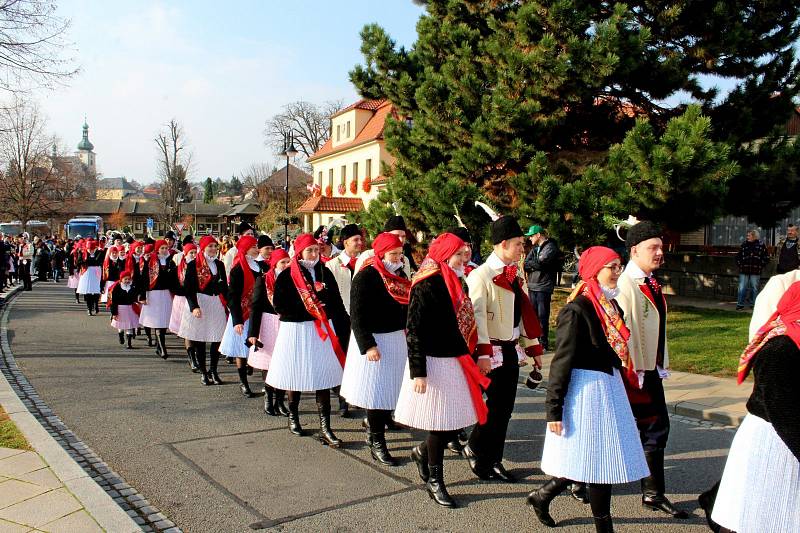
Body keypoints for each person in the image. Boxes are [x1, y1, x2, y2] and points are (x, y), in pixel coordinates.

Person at [527, 246, 649, 532]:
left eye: (619, 266)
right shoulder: (576, 309)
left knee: (593, 457)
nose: (618, 273)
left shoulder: (611, 306)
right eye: (612, 267)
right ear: (595, 271)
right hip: (584, 391)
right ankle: (603, 526)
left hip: (608, 387)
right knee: (596, 461)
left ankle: (542, 495)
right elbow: (561, 362)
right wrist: (553, 409)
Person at [394, 233, 490, 507]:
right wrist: (418, 371)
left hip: (456, 358)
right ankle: (436, 479)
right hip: (433, 360)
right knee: (439, 423)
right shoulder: (427, 282)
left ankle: (422, 452)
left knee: (457, 419)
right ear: (446, 254)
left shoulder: (457, 278)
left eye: (465, 252)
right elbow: (414, 330)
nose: (464, 258)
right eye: (458, 253)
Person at [709, 281, 800, 533]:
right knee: (760, 515)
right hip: (773, 441)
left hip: (787, 437)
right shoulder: (780, 348)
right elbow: (783, 410)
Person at [615, 220, 688, 519]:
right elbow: (620, 333)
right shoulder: (625, 284)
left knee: (654, 430)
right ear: (634, 250)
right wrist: (633, 372)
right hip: (634, 373)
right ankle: (561, 485)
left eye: (661, 247)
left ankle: (652, 493)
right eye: (653, 247)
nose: (660, 252)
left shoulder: (649, 281)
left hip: (650, 370)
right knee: (634, 430)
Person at [463, 215, 544, 483]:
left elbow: (524, 313)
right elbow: (478, 317)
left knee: (506, 408)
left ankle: (494, 458)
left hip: (510, 347)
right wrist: (483, 354)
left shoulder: (516, 272)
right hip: (491, 352)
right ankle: (475, 447)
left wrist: (533, 347)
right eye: (519, 244)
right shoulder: (480, 275)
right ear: (504, 243)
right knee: (494, 407)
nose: (523, 248)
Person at [265, 233, 350, 446]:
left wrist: (343, 325)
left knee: (323, 377)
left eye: (316, 249)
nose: (314, 254)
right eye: (310, 250)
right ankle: (293, 416)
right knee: (297, 374)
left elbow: (337, 302)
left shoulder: (325, 271)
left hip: (321, 328)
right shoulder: (287, 275)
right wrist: (310, 311)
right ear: (300, 252)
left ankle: (326, 426)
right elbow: (280, 306)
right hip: (297, 330)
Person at [340, 232, 410, 466]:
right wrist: (368, 345)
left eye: (400, 254)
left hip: (395, 338)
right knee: (376, 392)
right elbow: (357, 315)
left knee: (391, 387)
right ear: (381, 254)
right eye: (394, 254)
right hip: (374, 341)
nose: (399, 258)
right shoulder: (366, 276)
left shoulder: (398, 274)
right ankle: (376, 440)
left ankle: (382, 424)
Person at [326, 223, 364, 417]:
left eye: (360, 239)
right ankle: (343, 399)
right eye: (355, 240)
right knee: (343, 357)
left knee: (358, 357)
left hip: (362, 317)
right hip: (341, 317)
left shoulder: (365, 263)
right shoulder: (332, 265)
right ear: (345, 242)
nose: (359, 243)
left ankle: (356, 395)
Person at [179, 236, 228, 386]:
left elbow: (224, 286)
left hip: (216, 303)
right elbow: (188, 289)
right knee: (200, 338)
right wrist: (194, 306)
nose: (213, 249)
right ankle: (204, 372)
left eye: (215, 246)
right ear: (203, 248)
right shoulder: (194, 265)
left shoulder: (219, 264)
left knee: (217, 338)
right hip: (200, 302)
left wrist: (230, 303)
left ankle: (214, 370)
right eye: (210, 246)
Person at [248, 248, 291, 416]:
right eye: (283, 262)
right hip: (268, 324)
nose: (287, 265)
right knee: (269, 363)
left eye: (289, 262)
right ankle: (269, 397)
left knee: (283, 363)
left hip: (286, 324)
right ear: (275, 264)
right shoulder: (263, 280)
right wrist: (253, 332)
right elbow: (255, 307)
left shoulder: (294, 280)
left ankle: (280, 400)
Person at [219, 235, 261, 397]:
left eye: (256, 246)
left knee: (254, 347)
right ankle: (243, 382)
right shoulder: (238, 269)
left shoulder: (259, 266)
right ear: (245, 249)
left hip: (257, 313)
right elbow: (233, 297)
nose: (256, 249)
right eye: (253, 247)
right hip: (242, 314)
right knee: (241, 349)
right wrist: (237, 320)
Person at [138, 239, 177, 359]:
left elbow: (175, 278)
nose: (165, 250)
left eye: (166, 248)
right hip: (153, 294)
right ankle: (163, 349)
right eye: (162, 248)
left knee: (163, 321)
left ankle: (159, 347)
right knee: (157, 322)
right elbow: (144, 279)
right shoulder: (150, 261)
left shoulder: (171, 260)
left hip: (166, 294)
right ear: (157, 249)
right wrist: (142, 295)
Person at [524, 225, 560, 350]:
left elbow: (542, 264)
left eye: (531, 236)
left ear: (538, 235)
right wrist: (535, 264)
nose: (529, 239)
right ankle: (535, 341)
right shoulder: (535, 249)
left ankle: (543, 343)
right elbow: (526, 264)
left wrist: (534, 264)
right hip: (533, 285)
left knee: (542, 315)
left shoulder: (550, 247)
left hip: (543, 286)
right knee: (533, 316)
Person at [169, 243, 198, 372]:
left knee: (195, 329)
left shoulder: (200, 267)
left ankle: (196, 354)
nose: (193, 255)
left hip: (196, 299)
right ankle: (192, 357)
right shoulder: (177, 268)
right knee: (187, 330)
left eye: (194, 252)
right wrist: (183, 291)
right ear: (185, 254)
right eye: (190, 253)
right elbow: (173, 285)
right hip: (182, 300)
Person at [735, 229, 769, 311]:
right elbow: (738, 256)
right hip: (744, 269)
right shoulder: (744, 244)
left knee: (754, 288)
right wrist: (740, 264)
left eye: (749, 235)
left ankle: (753, 304)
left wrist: (761, 265)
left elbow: (766, 257)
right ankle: (740, 304)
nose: (747, 237)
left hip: (755, 270)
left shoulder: (761, 245)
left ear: (754, 236)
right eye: (747, 235)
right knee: (742, 287)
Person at [108, 270, 140, 349]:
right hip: (120, 309)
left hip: (130, 309)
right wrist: (114, 313)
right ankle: (121, 335)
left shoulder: (133, 287)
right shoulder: (117, 288)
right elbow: (113, 302)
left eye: (129, 279)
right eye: (125, 279)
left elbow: (136, 297)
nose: (127, 281)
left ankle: (129, 343)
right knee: (121, 326)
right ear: (121, 279)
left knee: (129, 326)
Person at [77, 238, 103, 314]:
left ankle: (96, 305)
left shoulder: (99, 252)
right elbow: (78, 262)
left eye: (92, 249)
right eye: (89, 249)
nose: (91, 250)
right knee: (88, 291)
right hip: (86, 273)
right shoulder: (83, 253)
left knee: (96, 290)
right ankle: (89, 308)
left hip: (96, 272)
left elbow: (98, 261)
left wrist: (87, 261)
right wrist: (85, 261)